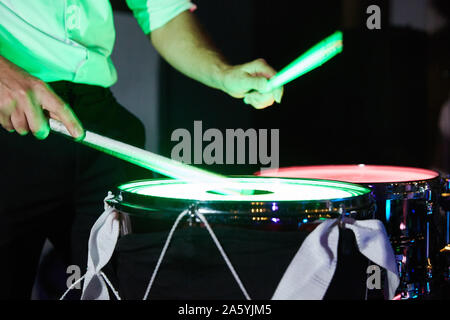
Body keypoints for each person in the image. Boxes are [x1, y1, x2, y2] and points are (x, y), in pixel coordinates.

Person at [0, 0, 283, 299]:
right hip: (10, 116)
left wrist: (223, 73)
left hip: (96, 122)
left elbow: (161, 10)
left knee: (131, 285)